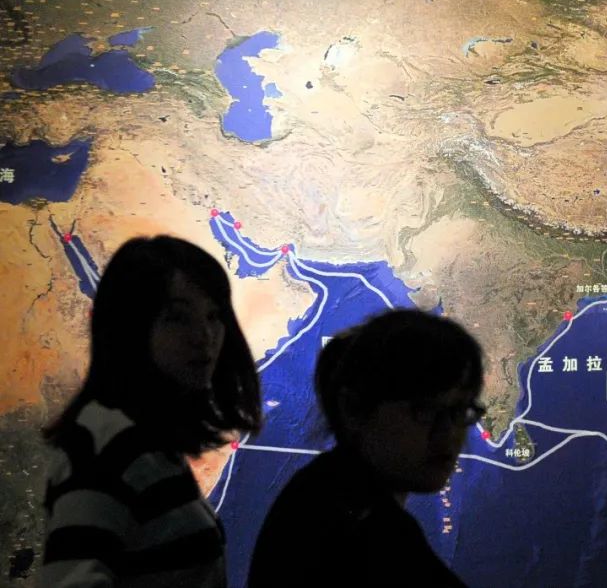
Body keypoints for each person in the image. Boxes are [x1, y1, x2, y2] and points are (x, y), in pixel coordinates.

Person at [41, 235, 262, 587]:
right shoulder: (104, 445)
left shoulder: (146, 439)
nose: (204, 336)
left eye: (213, 316)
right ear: (130, 327)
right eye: (178, 318)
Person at [248, 309, 485, 587]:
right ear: (353, 409)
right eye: (425, 410)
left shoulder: (317, 490)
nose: (448, 432)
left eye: (460, 411)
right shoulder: (374, 540)